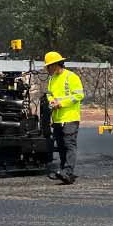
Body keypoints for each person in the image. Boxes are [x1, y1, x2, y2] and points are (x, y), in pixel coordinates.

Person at [44, 51, 85, 184]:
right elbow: (49, 94)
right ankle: (63, 171)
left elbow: (78, 95)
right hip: (57, 118)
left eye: (48, 66)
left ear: (56, 64)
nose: (47, 69)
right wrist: (51, 101)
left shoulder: (71, 77)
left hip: (70, 117)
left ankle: (68, 172)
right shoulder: (52, 79)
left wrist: (61, 103)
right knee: (61, 146)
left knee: (69, 145)